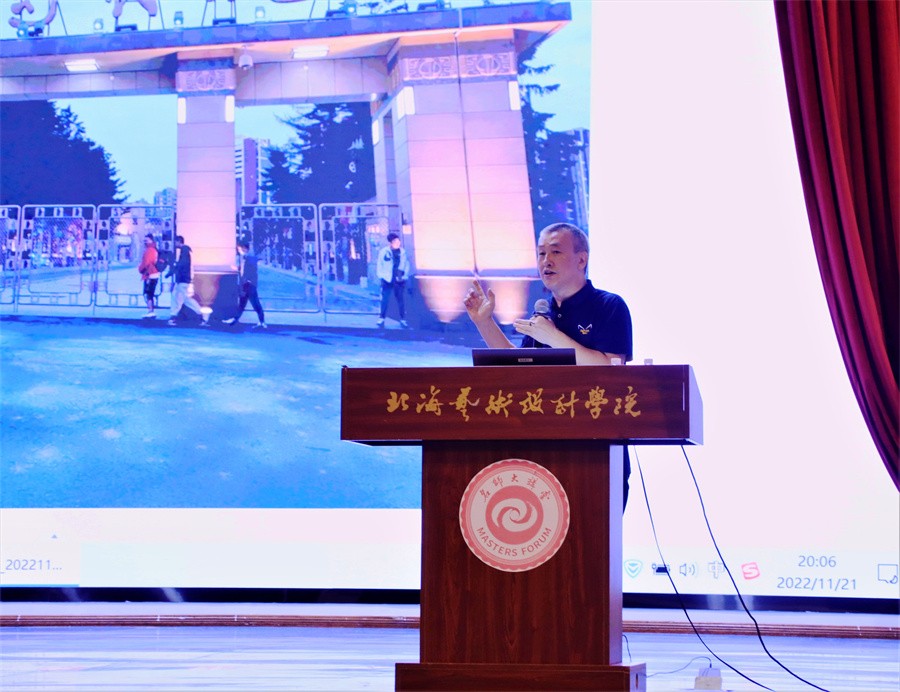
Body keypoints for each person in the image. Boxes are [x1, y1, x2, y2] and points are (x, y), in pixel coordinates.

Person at [464, 221, 633, 506]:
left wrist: (553, 337)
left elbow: (610, 369)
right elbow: (516, 366)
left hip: (598, 450)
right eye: (541, 253)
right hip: (544, 452)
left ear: (582, 259)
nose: (546, 261)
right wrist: (484, 322)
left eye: (555, 252)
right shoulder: (543, 314)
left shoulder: (609, 306)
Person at [165, 235, 209, 327]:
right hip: (184, 280)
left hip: (182, 279)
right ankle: (203, 316)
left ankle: (173, 317)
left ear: (179, 242)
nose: (174, 244)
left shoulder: (184, 251)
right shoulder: (185, 251)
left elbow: (182, 264)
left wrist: (172, 271)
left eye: (175, 242)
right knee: (185, 300)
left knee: (178, 299)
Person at [223, 239, 266, 329]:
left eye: (239, 249)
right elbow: (245, 270)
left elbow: (253, 270)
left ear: (244, 248)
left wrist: (249, 281)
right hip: (245, 285)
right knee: (243, 304)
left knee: (254, 304)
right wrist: (238, 269)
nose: (238, 251)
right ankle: (235, 320)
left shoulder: (250, 258)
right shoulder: (245, 258)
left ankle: (261, 322)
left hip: (249, 285)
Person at [376, 232, 411, 328]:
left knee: (400, 299)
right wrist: (381, 276)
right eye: (395, 241)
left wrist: (404, 276)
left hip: (399, 279)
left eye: (398, 241)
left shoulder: (402, 252)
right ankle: (381, 318)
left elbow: (406, 265)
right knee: (385, 299)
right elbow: (380, 264)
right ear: (390, 243)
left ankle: (403, 319)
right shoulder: (384, 252)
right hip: (387, 279)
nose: (398, 243)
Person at [137, 233, 160, 318]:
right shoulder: (154, 249)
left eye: (146, 240)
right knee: (150, 293)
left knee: (148, 293)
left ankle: (151, 311)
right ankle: (151, 310)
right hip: (154, 274)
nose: (145, 241)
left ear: (151, 240)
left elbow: (146, 263)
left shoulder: (149, 250)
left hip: (149, 274)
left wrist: (140, 269)